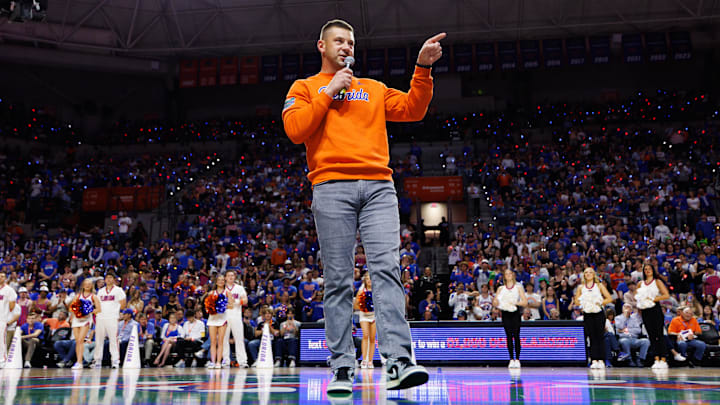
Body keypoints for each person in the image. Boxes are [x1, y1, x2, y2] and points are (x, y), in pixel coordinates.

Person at [282, 18, 444, 394]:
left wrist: (422, 69)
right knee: (338, 280)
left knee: (386, 270)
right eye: (339, 41)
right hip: (330, 186)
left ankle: (399, 361)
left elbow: (413, 109)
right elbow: (295, 131)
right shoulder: (304, 87)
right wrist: (328, 92)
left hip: (377, 188)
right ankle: (341, 367)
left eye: (351, 43)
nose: (346, 48)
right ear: (321, 46)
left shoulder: (372, 88)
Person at [573, 267, 613, 369]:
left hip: (598, 313)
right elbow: (577, 302)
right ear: (584, 275)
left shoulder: (599, 286)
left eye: (590, 272)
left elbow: (609, 298)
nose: (588, 274)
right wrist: (585, 302)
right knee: (592, 337)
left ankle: (602, 359)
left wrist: (599, 302)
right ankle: (594, 359)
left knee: (600, 336)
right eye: (586, 272)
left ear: (594, 274)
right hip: (587, 313)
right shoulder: (581, 287)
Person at [636, 263, 672, 369]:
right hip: (645, 310)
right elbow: (637, 296)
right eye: (645, 269)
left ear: (653, 270)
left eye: (649, 269)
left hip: (655, 309)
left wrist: (653, 298)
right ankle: (656, 359)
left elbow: (666, 295)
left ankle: (663, 359)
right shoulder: (640, 283)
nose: (647, 271)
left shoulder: (657, 282)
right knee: (651, 335)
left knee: (659, 335)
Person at [493, 269, 528, 368]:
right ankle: (511, 359)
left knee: (516, 335)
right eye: (506, 274)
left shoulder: (518, 288)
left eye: (510, 273)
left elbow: (525, 302)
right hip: (505, 313)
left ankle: (517, 359)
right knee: (508, 335)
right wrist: (496, 302)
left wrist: (515, 302)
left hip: (515, 313)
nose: (508, 275)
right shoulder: (500, 289)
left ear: (513, 275)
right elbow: (495, 302)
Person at [93, 272, 126, 369]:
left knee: (113, 340)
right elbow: (97, 304)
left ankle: (115, 361)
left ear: (114, 279)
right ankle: (97, 360)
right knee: (98, 340)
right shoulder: (101, 291)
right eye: (107, 278)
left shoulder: (118, 290)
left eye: (110, 277)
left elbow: (123, 304)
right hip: (101, 318)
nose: (108, 279)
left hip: (112, 318)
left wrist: (115, 311)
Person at [70, 278, 101, 369]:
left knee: (80, 340)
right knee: (77, 341)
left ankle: (79, 362)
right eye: (86, 283)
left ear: (92, 286)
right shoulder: (78, 296)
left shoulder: (93, 296)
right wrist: (75, 314)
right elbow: (72, 307)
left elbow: (99, 309)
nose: (87, 285)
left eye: (89, 284)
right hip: (77, 319)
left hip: (86, 319)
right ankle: (78, 361)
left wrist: (88, 311)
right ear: (83, 285)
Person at [205, 274, 232, 369]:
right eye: (219, 280)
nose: (221, 281)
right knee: (213, 342)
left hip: (222, 319)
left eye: (222, 280)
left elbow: (231, 305)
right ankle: (212, 361)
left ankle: (218, 362)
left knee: (220, 342)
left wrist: (222, 305)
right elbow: (206, 306)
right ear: (216, 282)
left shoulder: (227, 292)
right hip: (213, 319)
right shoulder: (211, 293)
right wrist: (212, 307)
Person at [223, 270, 248, 368]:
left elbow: (245, 300)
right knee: (224, 339)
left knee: (239, 339)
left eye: (232, 275)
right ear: (225, 277)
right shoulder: (222, 289)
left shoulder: (239, 288)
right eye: (228, 275)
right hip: (224, 317)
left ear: (235, 277)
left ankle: (242, 361)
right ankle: (225, 361)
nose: (230, 277)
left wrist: (236, 301)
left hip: (236, 316)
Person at [354, 272, 377, 368]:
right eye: (368, 279)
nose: (369, 281)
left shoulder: (377, 291)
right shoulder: (361, 290)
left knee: (372, 338)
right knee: (365, 335)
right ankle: (364, 360)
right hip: (364, 315)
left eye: (371, 279)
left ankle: (370, 361)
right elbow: (355, 305)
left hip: (374, 316)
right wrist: (364, 307)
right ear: (365, 280)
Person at [0, 272, 17, 368]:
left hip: (2, 319)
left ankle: (2, 360)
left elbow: (12, 305)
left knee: (1, 340)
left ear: (5, 278)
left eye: (2, 276)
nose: (0, 278)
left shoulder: (9, 290)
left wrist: (6, 316)